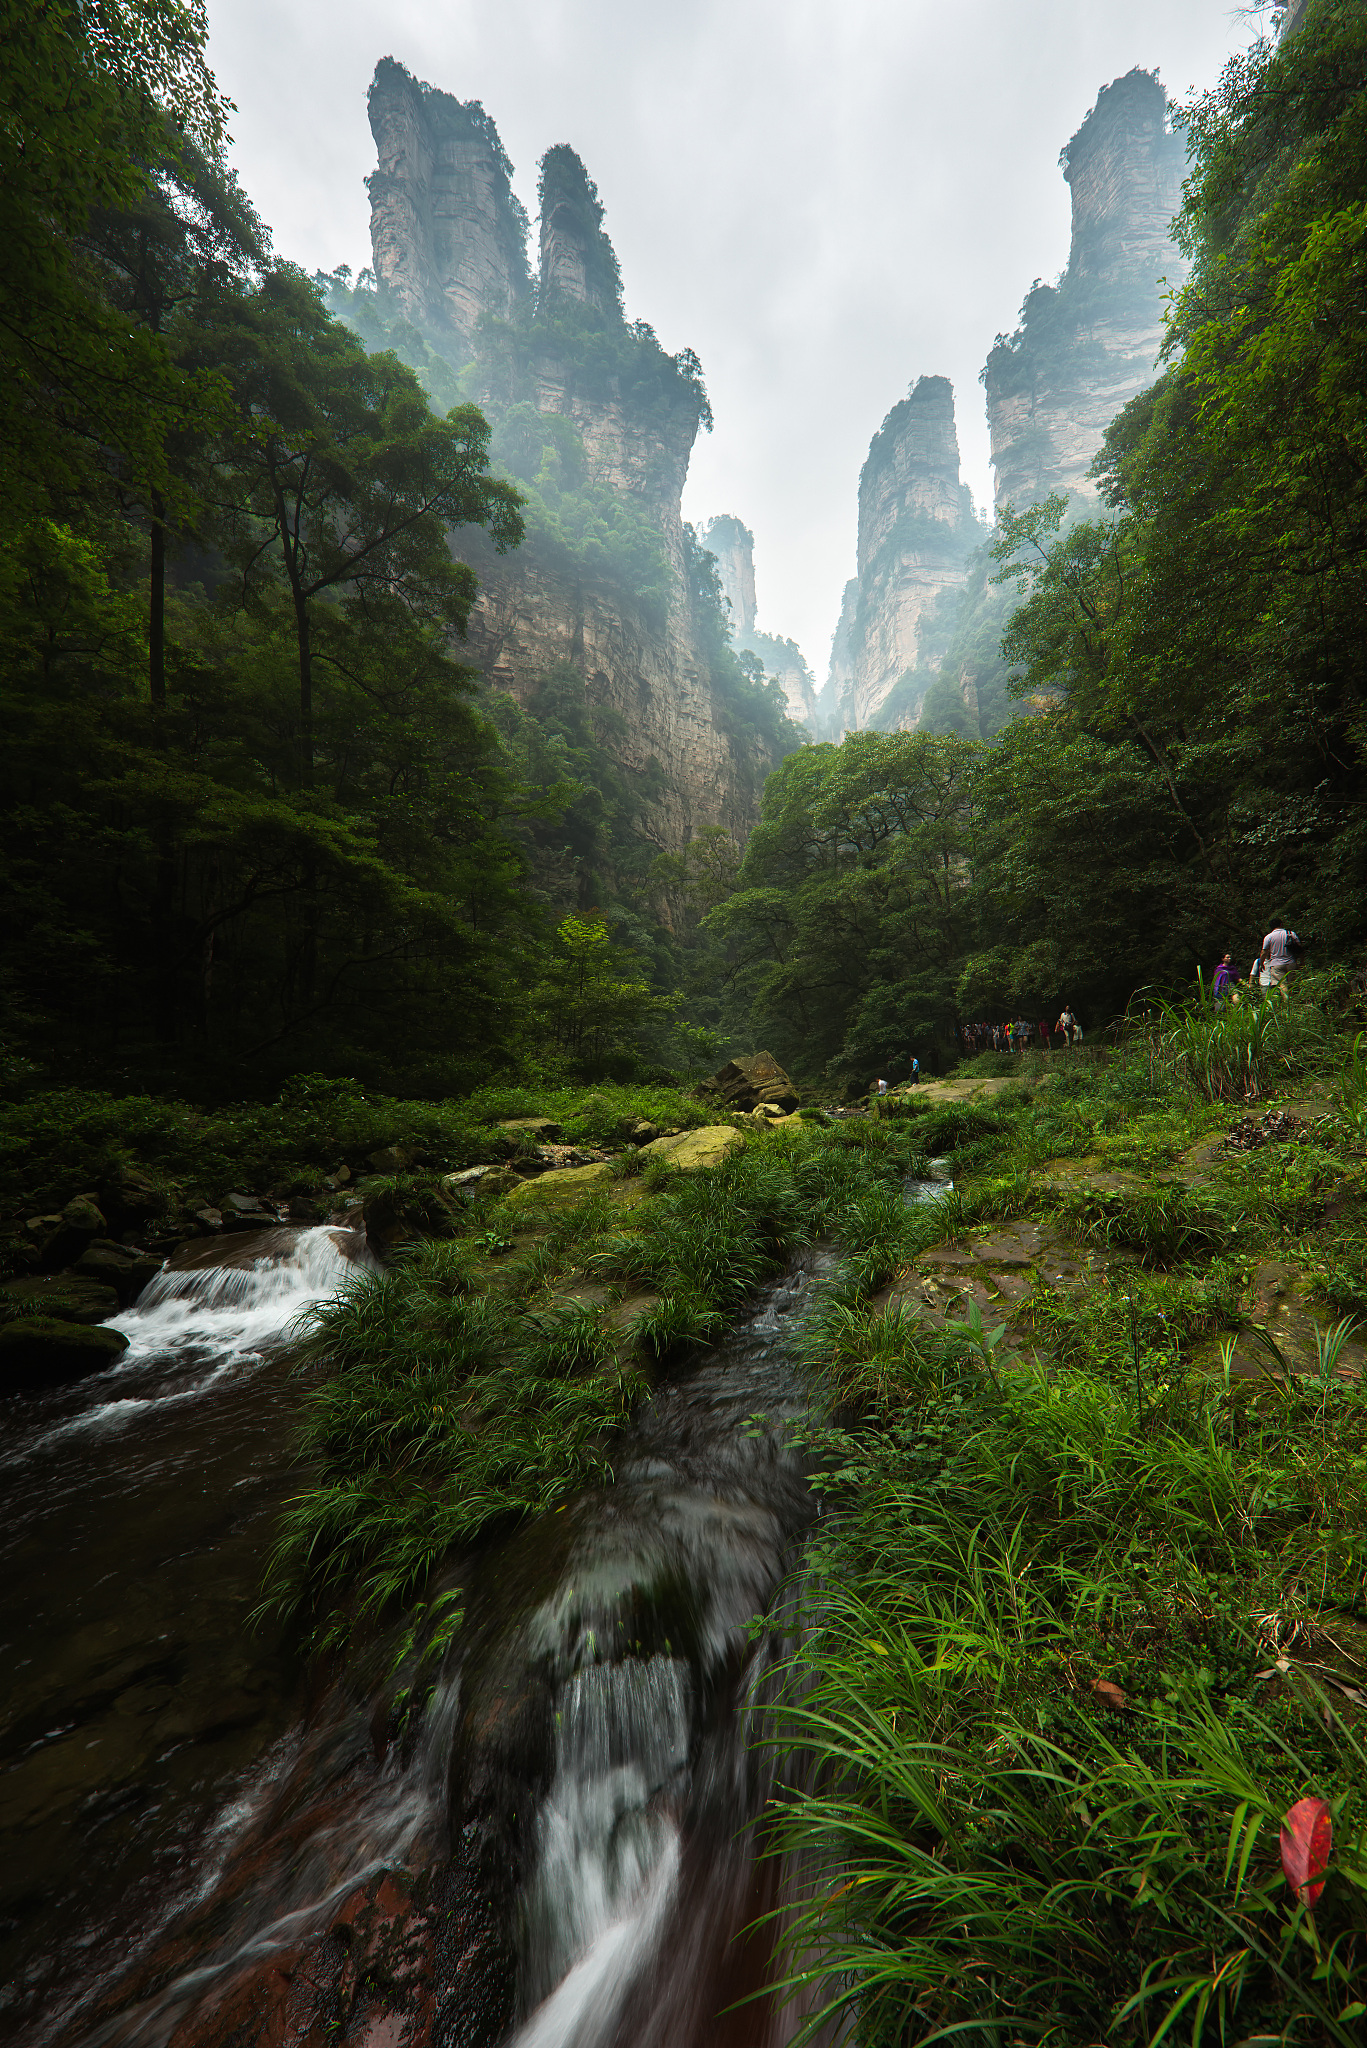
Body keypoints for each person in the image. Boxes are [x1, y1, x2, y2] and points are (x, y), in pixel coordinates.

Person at [1259, 920, 1304, 988]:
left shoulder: (1268, 937)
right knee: (1292, 984)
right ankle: (1293, 994)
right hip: (1291, 963)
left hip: (1276, 964)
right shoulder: (1291, 934)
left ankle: (1285, 995)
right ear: (1281, 924)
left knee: (1282, 984)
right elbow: (1300, 948)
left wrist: (1261, 964)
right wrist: (1302, 961)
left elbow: (1264, 952)